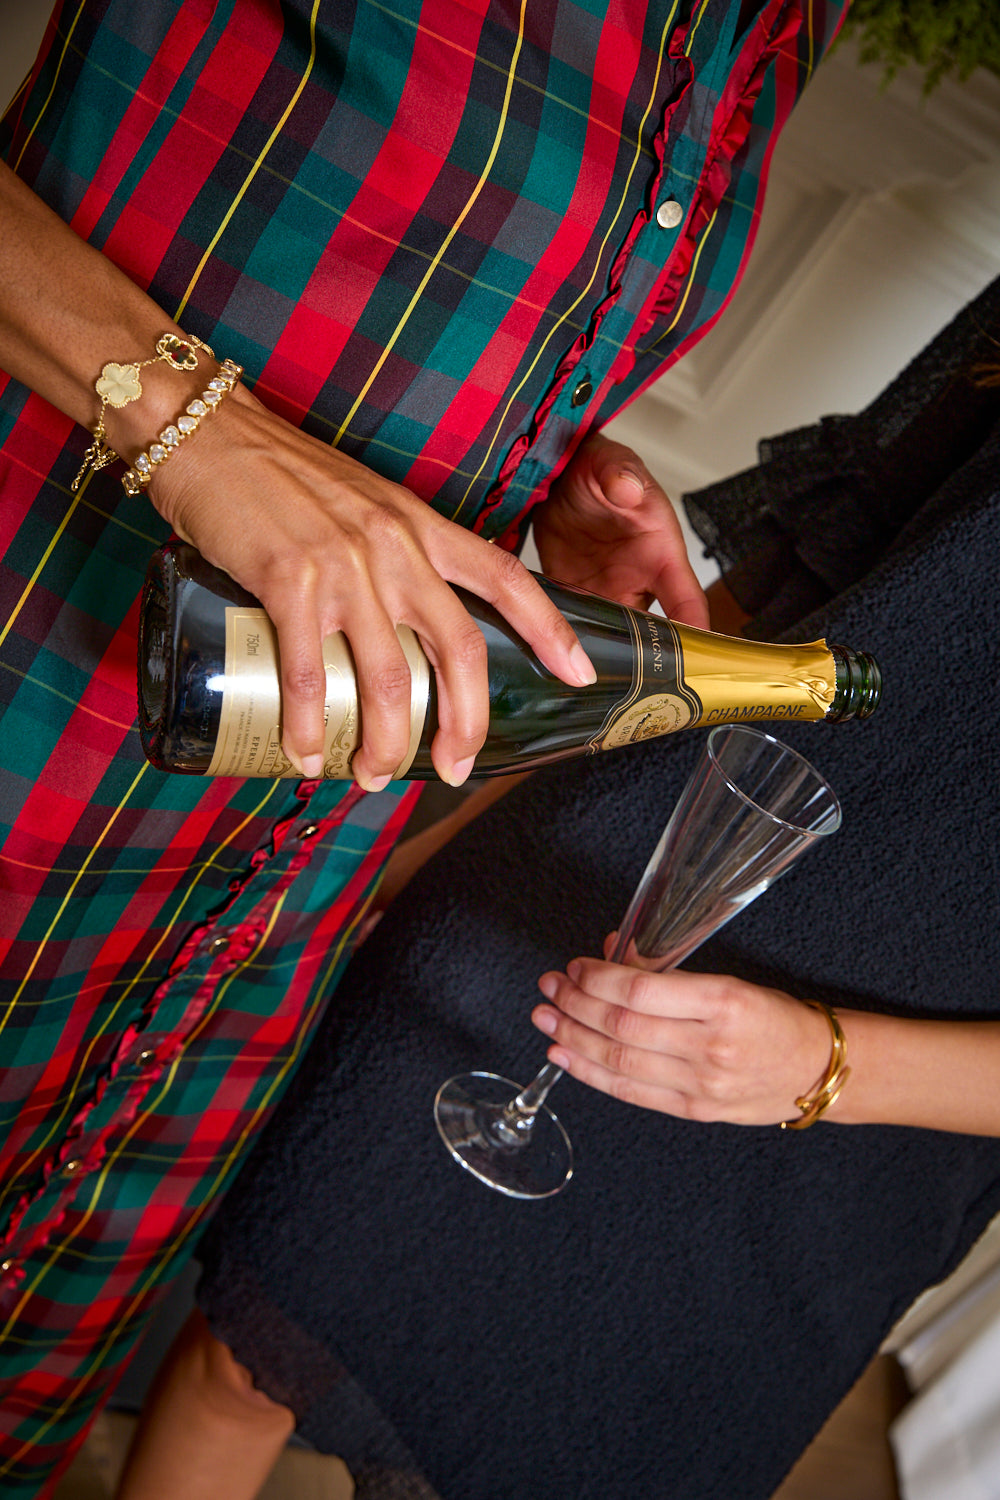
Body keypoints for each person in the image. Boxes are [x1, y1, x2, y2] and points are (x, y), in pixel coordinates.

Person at [0, 0, 849, 1493]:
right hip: (34, 648)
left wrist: (536, 532)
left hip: (269, 836)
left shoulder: (785, 25)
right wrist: (203, 434)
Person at [115, 272, 1000, 1500]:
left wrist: (828, 1071)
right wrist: (559, 695)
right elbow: (846, 557)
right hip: (586, 875)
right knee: (250, 1350)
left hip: (865, 1124)